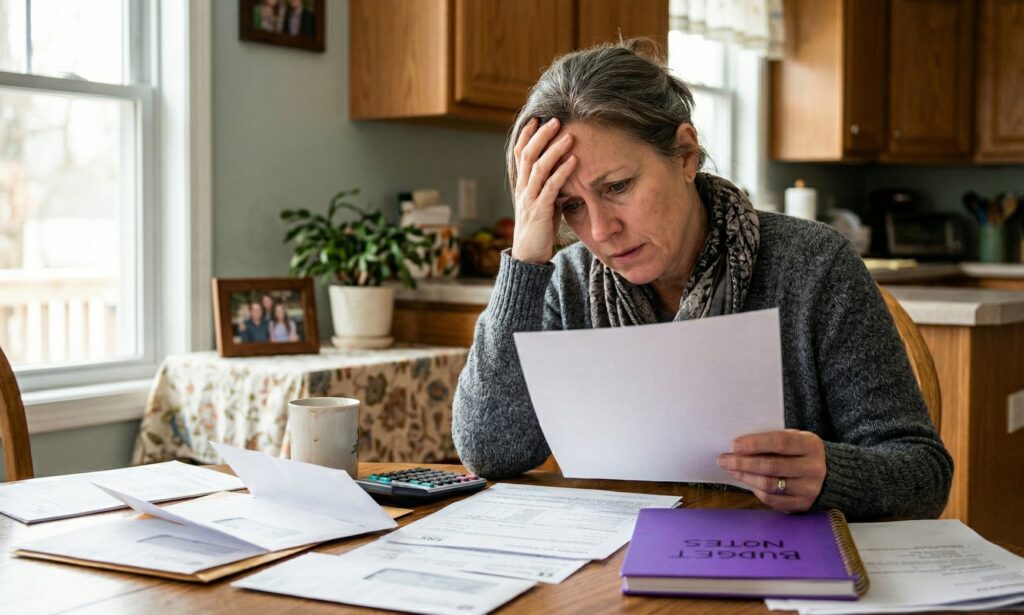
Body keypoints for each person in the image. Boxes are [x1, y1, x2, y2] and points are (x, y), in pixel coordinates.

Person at [451, 40, 953, 521]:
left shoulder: (815, 265)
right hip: (613, 573)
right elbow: (491, 453)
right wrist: (525, 260)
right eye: (572, 206)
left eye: (619, 187)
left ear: (686, 155)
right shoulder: (566, 282)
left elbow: (923, 475)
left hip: (778, 566)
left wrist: (832, 473)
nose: (601, 231)